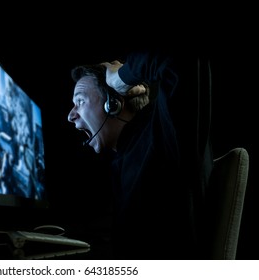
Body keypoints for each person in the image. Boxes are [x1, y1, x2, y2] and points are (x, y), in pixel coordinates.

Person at [67, 50, 213, 259]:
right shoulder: (124, 158)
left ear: (113, 103)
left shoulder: (163, 135)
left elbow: (182, 57)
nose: (70, 115)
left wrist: (121, 77)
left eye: (80, 101)